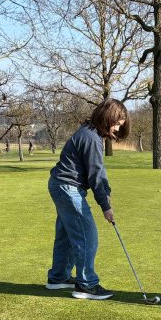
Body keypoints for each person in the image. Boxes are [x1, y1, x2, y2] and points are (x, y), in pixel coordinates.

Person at [46, 99, 130, 300]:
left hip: (60, 185)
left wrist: (105, 192)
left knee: (67, 235)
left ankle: (58, 277)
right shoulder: (91, 138)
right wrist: (105, 206)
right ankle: (87, 285)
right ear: (107, 118)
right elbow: (96, 175)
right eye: (117, 124)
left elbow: (97, 172)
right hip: (68, 188)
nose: (117, 129)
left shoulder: (89, 132)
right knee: (87, 236)